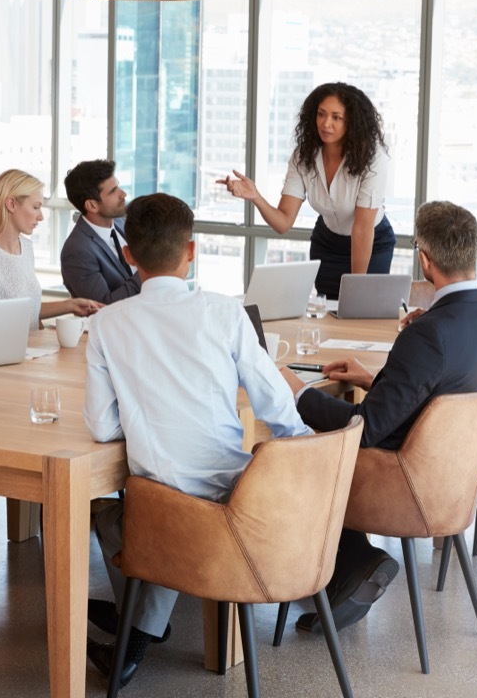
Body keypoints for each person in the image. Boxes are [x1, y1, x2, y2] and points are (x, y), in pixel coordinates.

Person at [82, 193, 311, 687]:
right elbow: (276, 404)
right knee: (165, 499)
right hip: (240, 499)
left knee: (117, 508)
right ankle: (139, 634)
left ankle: (135, 633)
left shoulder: (105, 325)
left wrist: (146, 416)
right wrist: (309, 451)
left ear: (128, 255)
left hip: (169, 510)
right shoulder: (226, 313)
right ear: (193, 250)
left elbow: (101, 428)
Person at [280, 201, 477, 634]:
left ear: (424, 259)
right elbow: (439, 398)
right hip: (454, 479)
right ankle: (348, 567)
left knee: (290, 451)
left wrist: (296, 393)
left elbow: (364, 430)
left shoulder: (430, 334)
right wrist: (375, 379)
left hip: (402, 481)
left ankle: (356, 561)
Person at [219, 82, 396, 298]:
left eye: (336, 117)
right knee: (327, 314)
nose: (326, 123)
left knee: (360, 313)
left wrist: (356, 290)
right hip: (328, 243)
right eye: (321, 114)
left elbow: (361, 228)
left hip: (371, 242)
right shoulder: (303, 156)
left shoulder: (372, 158)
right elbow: (283, 222)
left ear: (352, 122)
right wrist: (255, 196)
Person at [0, 169, 101, 330]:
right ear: (11, 204)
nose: (41, 216)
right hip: (5, 353)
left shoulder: (26, 247)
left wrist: (71, 305)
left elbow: (28, 311)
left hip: (33, 349)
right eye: (36, 207)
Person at [60, 159, 141, 303]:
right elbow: (103, 305)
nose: (123, 194)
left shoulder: (122, 223)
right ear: (92, 205)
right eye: (113, 191)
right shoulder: (76, 251)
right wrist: (149, 270)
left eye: (118, 187)